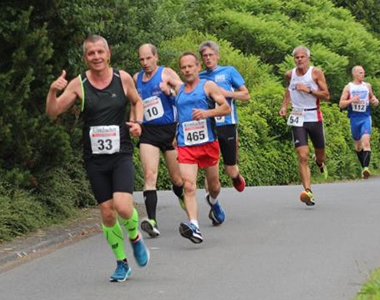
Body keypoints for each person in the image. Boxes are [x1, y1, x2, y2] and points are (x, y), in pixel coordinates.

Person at [46, 35, 149, 282]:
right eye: (91, 53)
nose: (96, 57)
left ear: (108, 53)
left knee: (124, 208)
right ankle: (122, 263)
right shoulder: (78, 83)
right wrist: (52, 91)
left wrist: (137, 124)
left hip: (121, 153)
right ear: (85, 57)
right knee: (106, 211)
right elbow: (53, 112)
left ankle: (134, 236)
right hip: (95, 158)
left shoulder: (122, 78)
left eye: (100, 52)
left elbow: (137, 102)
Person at [172, 51, 231, 243]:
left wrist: (207, 113)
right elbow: (179, 116)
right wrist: (175, 135)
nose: (187, 70)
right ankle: (194, 226)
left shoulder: (208, 86)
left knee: (213, 186)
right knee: (188, 185)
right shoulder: (179, 91)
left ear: (198, 67)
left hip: (207, 142)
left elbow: (226, 108)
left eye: (190, 66)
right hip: (185, 144)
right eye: (183, 67)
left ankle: (213, 202)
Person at [133, 44, 184, 238]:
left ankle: (180, 194)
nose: (145, 63)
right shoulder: (137, 79)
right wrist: (135, 122)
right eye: (141, 59)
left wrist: (169, 91)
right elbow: (135, 103)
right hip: (149, 132)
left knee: (177, 180)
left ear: (156, 57)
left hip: (169, 130)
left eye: (148, 58)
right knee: (149, 175)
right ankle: (152, 221)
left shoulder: (166, 73)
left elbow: (186, 94)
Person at [279, 46, 330, 206]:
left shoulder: (316, 73)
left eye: (302, 57)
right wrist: (284, 106)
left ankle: (320, 162)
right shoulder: (290, 74)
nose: (299, 60)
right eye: (297, 57)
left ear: (308, 58)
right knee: (302, 155)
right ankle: (308, 191)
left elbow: (327, 96)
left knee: (320, 154)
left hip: (314, 115)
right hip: (297, 116)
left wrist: (308, 90)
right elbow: (288, 90)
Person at [198, 41, 250, 192]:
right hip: (207, 125)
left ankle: (236, 177)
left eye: (210, 55)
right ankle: (213, 203)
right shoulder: (199, 77)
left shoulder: (229, 71)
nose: (208, 58)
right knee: (210, 171)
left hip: (227, 124)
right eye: (204, 56)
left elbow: (246, 95)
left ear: (217, 56)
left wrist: (226, 93)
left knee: (231, 169)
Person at [339, 65, 379, 179]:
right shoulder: (348, 87)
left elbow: (372, 97)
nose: (363, 74)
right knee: (358, 146)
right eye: (360, 73)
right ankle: (363, 168)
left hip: (365, 117)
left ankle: (366, 168)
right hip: (354, 119)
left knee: (365, 143)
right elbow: (341, 104)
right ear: (354, 74)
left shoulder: (367, 86)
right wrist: (352, 100)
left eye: (363, 72)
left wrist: (375, 100)